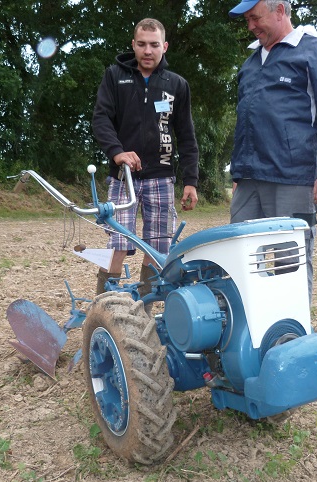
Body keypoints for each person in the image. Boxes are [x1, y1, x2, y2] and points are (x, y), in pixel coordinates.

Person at [227, 0, 317, 301]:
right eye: (246, 20)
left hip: (293, 178)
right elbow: (246, 119)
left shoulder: (316, 51)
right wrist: (239, 171)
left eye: (255, 18)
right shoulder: (250, 63)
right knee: (240, 262)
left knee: (290, 263)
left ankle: (293, 338)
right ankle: (252, 336)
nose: (250, 26)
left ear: (280, 11)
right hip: (248, 181)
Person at [92, 18, 199, 296]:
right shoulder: (115, 76)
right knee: (118, 242)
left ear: (164, 46)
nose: (147, 51)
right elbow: (101, 119)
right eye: (141, 44)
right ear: (133, 45)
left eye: (154, 45)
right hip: (123, 178)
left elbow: (186, 135)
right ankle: (106, 306)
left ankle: (144, 311)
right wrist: (117, 153)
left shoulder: (177, 85)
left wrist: (191, 180)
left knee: (158, 245)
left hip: (162, 177)